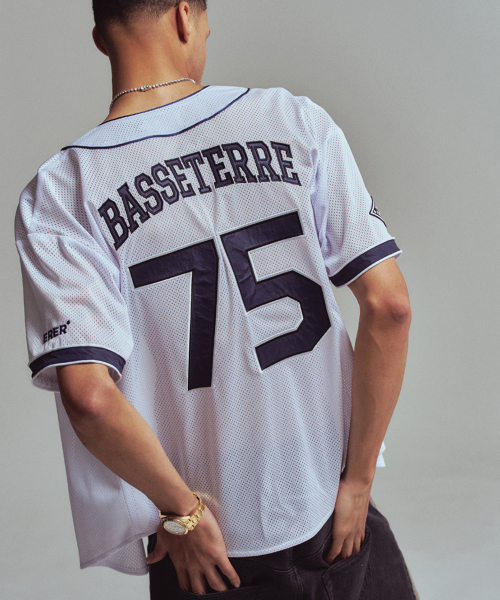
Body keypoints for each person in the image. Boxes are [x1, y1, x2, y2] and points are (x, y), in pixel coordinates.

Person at [15, 1, 418, 598]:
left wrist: (182, 512)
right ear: (185, 15)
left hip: (208, 540)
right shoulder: (294, 120)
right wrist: (357, 483)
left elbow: (90, 397)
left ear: (101, 38)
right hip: (328, 503)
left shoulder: (61, 192)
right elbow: (389, 306)